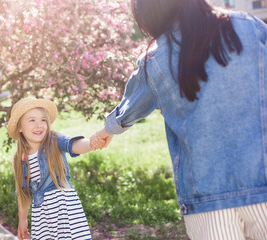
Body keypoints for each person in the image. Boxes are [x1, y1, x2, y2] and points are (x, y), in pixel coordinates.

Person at [91, 0, 267, 239]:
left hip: (206, 201)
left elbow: (129, 108)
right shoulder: (249, 26)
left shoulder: (154, 59)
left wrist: (106, 130)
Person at [7, 97, 104, 240]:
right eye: (32, 120)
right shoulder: (20, 159)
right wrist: (22, 220)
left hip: (63, 208)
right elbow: (24, 193)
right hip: (41, 215)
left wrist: (91, 143)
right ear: (20, 127)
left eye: (43, 120)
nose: (39, 125)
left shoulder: (54, 140)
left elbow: (73, 145)